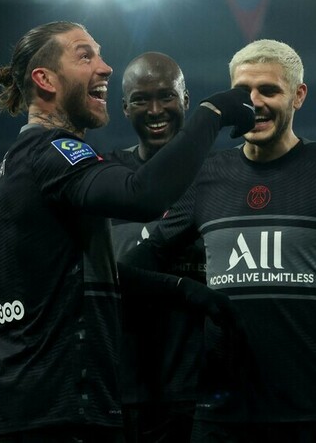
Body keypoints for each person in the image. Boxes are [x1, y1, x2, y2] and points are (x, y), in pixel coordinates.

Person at [121, 39, 316, 443]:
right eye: (243, 91)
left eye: (269, 90)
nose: (254, 103)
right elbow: (133, 268)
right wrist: (185, 289)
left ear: (298, 95)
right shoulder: (205, 177)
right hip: (223, 416)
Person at [0, 21, 254, 442]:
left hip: (37, 404)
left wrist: (184, 290)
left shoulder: (20, 162)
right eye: (85, 55)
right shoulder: (53, 153)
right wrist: (212, 113)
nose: (106, 67)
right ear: (45, 80)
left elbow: (93, 274)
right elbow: (142, 195)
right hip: (61, 411)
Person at [107, 52, 207, 443]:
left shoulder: (222, 176)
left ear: (186, 100)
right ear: (124, 107)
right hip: (126, 390)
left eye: (166, 96)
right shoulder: (103, 177)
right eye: (141, 99)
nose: (154, 110)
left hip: (207, 389)